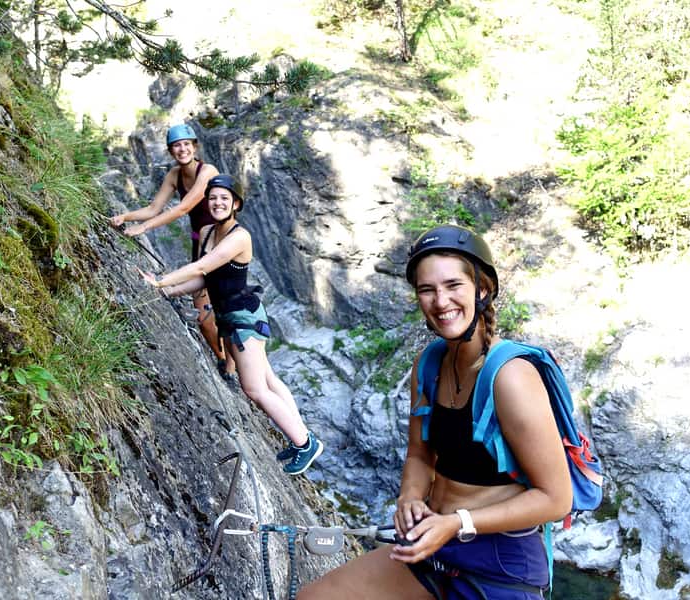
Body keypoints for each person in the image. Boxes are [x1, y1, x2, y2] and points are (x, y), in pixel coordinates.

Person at [297, 224, 572, 599]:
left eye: (453, 285)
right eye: (427, 290)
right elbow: (420, 453)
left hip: (499, 564)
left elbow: (556, 499)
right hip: (433, 542)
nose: (441, 301)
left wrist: (457, 523)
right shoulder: (429, 364)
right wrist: (410, 497)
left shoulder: (511, 377)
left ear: (482, 289)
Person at [139, 174, 324, 476]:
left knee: (254, 388)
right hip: (231, 317)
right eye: (213, 198)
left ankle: (305, 443)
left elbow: (200, 266)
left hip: (244, 319)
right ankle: (301, 435)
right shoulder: (207, 231)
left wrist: (160, 281)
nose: (218, 203)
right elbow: (206, 278)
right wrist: (169, 291)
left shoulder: (240, 236)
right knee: (269, 379)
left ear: (236, 204)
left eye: (225, 198)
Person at [110, 124, 235, 380]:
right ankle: (223, 360)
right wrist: (126, 217)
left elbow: (183, 208)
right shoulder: (174, 175)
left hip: (222, 246)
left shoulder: (207, 171)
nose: (182, 149)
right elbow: (154, 208)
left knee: (225, 311)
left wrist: (143, 228)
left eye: (186, 144)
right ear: (170, 151)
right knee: (204, 319)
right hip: (200, 246)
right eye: (177, 146)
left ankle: (233, 367)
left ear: (195, 147)